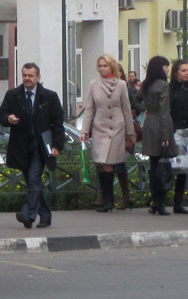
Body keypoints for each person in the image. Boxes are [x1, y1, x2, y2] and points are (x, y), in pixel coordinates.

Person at [0, 63, 64, 229]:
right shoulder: (13, 95)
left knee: (34, 179)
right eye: (24, 75)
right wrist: (8, 119)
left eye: (30, 76)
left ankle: (27, 214)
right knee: (32, 182)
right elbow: (2, 115)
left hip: (41, 147)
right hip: (21, 147)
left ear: (38, 77)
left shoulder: (49, 96)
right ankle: (45, 216)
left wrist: (57, 145)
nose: (27, 79)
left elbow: (57, 123)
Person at [80, 54, 134, 212]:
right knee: (103, 163)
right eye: (100, 66)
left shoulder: (121, 85)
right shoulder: (93, 84)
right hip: (100, 127)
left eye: (105, 65)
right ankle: (107, 200)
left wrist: (130, 133)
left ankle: (108, 201)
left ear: (112, 66)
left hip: (117, 127)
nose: (102, 69)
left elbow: (126, 109)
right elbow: (89, 109)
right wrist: (85, 130)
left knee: (108, 163)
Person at [141, 56, 175, 215]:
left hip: (149, 124)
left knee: (154, 164)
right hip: (161, 125)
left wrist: (145, 109)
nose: (168, 69)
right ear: (159, 68)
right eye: (166, 66)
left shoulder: (146, 84)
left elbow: (134, 100)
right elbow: (164, 111)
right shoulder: (163, 85)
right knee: (163, 164)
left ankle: (155, 201)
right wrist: (166, 135)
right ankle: (160, 202)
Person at [169, 59, 188, 214]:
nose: (186, 73)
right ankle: (174, 202)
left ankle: (179, 202)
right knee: (180, 168)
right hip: (177, 131)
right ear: (176, 73)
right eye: (183, 70)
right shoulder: (171, 90)